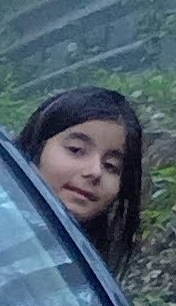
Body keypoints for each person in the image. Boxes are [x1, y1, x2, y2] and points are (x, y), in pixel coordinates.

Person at [18, 86, 145, 267]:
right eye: (76, 150)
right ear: (36, 146)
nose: (95, 171)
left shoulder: (88, 274)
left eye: (111, 166)